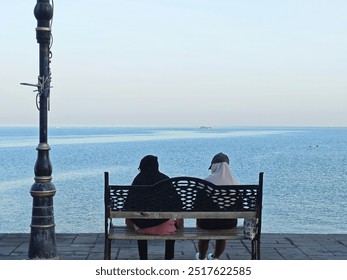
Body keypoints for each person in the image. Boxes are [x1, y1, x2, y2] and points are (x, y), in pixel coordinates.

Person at [125, 155, 183, 260]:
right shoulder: (165, 179)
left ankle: (143, 259)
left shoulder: (138, 180)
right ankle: (168, 259)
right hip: (164, 228)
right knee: (172, 225)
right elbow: (178, 203)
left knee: (140, 219)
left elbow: (129, 205)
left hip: (142, 228)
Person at [195, 152, 239, 260]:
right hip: (229, 223)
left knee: (204, 225)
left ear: (214, 166)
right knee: (223, 226)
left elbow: (196, 205)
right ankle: (215, 257)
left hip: (206, 223)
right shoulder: (236, 184)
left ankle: (201, 257)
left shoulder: (204, 183)